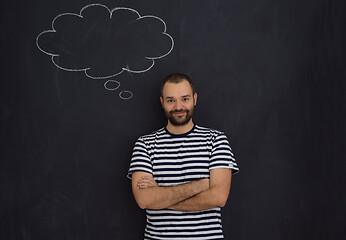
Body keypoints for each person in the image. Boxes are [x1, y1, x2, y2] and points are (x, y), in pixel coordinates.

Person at [128, 73, 239, 240]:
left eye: (185, 99)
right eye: (171, 100)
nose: (178, 107)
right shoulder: (145, 144)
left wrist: (161, 197)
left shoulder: (216, 140)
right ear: (162, 102)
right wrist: (200, 186)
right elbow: (144, 200)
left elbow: (219, 197)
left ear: (194, 99)